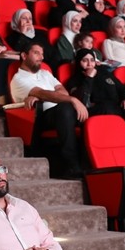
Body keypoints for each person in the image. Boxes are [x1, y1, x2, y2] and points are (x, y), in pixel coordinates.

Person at [9, 43, 87, 178]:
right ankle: (72, 166)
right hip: (40, 117)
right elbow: (43, 93)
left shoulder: (45, 73)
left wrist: (48, 95)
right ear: (24, 55)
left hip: (61, 111)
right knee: (65, 108)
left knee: (101, 110)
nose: (41, 57)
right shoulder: (18, 79)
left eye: (42, 54)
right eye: (36, 53)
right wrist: (72, 100)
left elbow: (62, 89)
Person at [67, 48, 125, 125]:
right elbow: (80, 99)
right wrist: (89, 78)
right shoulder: (74, 80)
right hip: (96, 109)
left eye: (92, 60)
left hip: (116, 106)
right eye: (84, 61)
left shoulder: (104, 73)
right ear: (78, 62)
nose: (89, 64)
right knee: (108, 109)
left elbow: (122, 88)